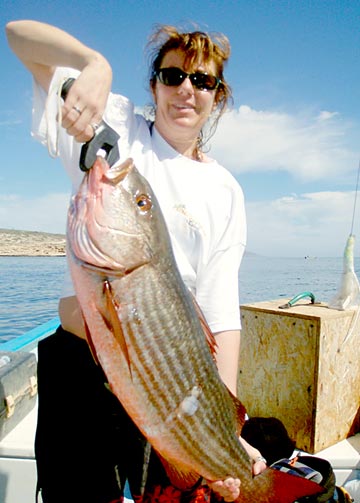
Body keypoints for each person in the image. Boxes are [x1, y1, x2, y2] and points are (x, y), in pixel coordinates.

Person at [6, 20, 266, 503]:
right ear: (153, 85)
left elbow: (220, 310)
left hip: (166, 380)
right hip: (82, 374)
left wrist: (227, 428)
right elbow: (17, 35)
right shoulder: (119, 125)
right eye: (172, 77)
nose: (186, 90)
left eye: (202, 81)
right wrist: (91, 62)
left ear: (218, 96)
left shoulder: (226, 190)